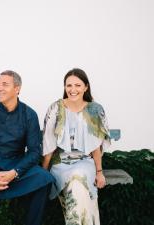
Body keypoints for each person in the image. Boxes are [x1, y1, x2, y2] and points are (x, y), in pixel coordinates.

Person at [0, 70, 54, 225]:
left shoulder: (29, 114)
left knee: (44, 179)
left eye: (5, 84)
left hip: (15, 164)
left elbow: (34, 152)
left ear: (17, 89)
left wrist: (14, 173)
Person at [42, 68, 111, 225]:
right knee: (76, 186)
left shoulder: (95, 109)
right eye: (69, 85)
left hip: (85, 162)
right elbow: (48, 144)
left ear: (86, 87)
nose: (73, 90)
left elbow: (96, 146)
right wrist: (43, 172)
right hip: (60, 164)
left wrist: (99, 172)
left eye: (78, 85)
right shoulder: (56, 109)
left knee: (78, 182)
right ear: (64, 87)